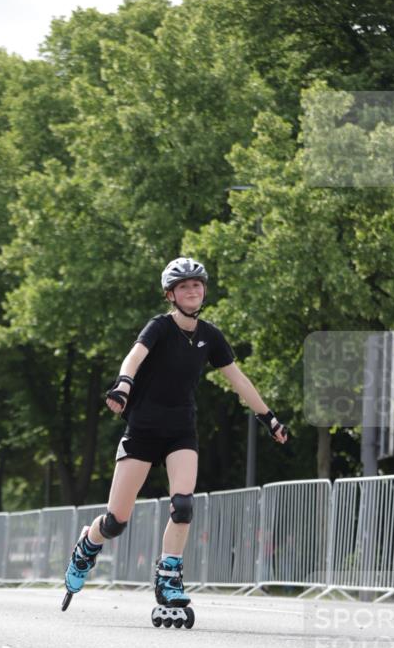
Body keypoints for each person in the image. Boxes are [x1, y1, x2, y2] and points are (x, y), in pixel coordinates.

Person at [64, 257, 287, 607]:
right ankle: (87, 546)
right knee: (116, 521)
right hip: (142, 430)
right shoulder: (160, 327)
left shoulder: (210, 336)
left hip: (181, 431)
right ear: (171, 294)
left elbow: (238, 380)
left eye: (197, 285)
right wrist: (123, 384)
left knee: (183, 506)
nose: (192, 291)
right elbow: (134, 356)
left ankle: (168, 578)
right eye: (184, 286)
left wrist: (268, 418)